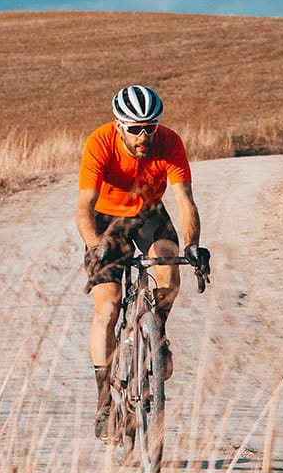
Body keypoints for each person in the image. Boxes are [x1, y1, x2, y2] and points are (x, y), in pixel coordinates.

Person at [75, 84, 211, 441]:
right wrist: (95, 246)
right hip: (107, 219)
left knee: (170, 269)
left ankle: (157, 336)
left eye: (150, 126)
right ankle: (105, 404)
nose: (143, 135)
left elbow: (185, 201)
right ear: (119, 126)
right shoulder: (100, 143)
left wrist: (194, 246)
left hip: (150, 213)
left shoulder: (169, 142)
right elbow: (83, 207)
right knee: (108, 306)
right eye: (135, 128)